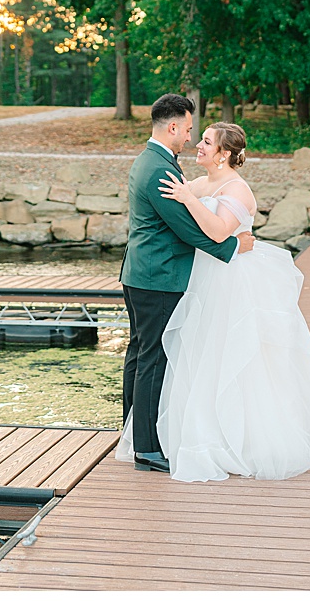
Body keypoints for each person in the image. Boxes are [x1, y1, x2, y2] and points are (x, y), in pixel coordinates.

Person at [129, 120, 310, 482]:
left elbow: (217, 230)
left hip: (230, 279)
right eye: (198, 139)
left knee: (234, 353)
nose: (198, 145)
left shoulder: (238, 188)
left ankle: (242, 437)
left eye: (206, 142)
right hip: (202, 276)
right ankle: (186, 432)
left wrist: (187, 198)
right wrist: (186, 195)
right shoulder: (200, 183)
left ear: (224, 154)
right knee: (198, 356)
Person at [117, 94, 251, 474]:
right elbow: (188, 229)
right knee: (153, 358)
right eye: (189, 129)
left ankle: (131, 430)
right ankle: (146, 447)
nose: (191, 138)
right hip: (159, 276)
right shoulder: (160, 169)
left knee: (140, 354)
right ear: (172, 126)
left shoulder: (151, 159)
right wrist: (233, 247)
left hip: (140, 273)